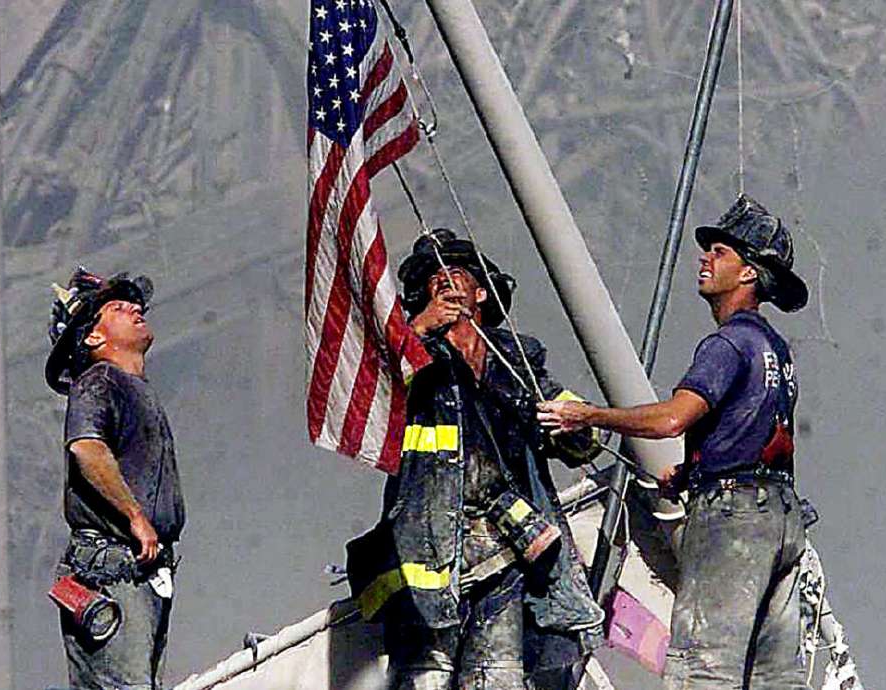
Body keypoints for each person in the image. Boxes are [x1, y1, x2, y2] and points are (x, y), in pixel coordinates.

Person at [537, 195, 810, 689]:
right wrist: (688, 474)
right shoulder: (775, 349)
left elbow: (671, 420)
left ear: (749, 274)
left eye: (721, 252)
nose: (705, 258)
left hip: (732, 521)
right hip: (780, 517)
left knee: (704, 668)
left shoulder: (728, 344)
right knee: (774, 677)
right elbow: (756, 429)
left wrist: (590, 415)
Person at [346, 229, 605, 690]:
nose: (441, 283)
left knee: (497, 677)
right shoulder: (412, 355)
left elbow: (574, 438)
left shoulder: (516, 360)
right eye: (430, 280)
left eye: (455, 273)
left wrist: (578, 424)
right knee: (425, 678)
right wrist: (418, 330)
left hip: (506, 549)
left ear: (481, 291)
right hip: (426, 551)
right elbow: (373, 396)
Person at [45, 267, 186, 690]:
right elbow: (87, 449)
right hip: (112, 569)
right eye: (117, 307)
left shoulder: (132, 388)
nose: (134, 309)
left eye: (134, 304)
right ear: (92, 338)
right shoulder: (99, 381)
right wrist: (134, 515)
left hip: (141, 570)